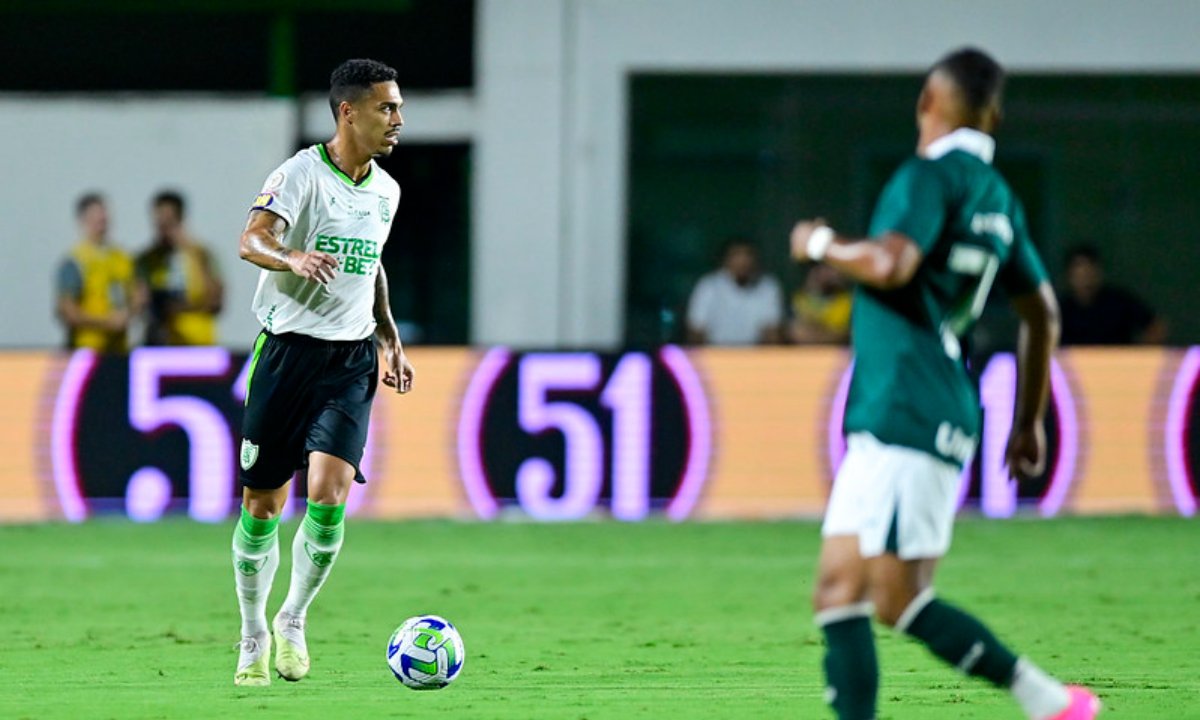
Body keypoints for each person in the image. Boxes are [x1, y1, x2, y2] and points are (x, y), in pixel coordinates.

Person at [789, 49, 1100, 719]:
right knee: (840, 592)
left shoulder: (927, 177)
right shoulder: (998, 197)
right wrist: (1028, 420)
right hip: (920, 406)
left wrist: (818, 245)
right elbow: (1042, 314)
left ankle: (1048, 702)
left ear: (928, 101)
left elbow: (891, 263)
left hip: (908, 403)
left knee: (898, 599)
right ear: (995, 115)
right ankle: (1050, 703)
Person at [231, 58, 414, 687]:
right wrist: (292, 257)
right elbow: (251, 240)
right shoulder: (300, 175)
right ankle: (252, 630)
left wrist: (387, 332)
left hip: (350, 358)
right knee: (263, 503)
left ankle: (292, 619)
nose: (397, 119)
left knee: (330, 495)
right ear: (348, 111)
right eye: (386, 108)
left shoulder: (386, 190)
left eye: (398, 107)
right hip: (286, 354)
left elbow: (373, 265)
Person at [135, 190, 224, 345]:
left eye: (169, 222)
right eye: (159, 222)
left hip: (198, 344)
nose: (163, 229)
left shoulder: (201, 254)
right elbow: (139, 303)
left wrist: (177, 307)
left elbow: (215, 301)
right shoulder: (146, 260)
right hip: (161, 345)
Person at [54, 193, 137, 352]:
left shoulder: (122, 258)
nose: (101, 220)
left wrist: (131, 311)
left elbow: (137, 295)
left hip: (119, 350)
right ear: (82, 220)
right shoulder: (75, 261)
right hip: (86, 350)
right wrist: (107, 322)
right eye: (95, 215)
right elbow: (68, 311)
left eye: (103, 214)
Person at [1059, 244, 1166, 345]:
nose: (1086, 281)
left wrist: (1138, 356)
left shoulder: (1119, 302)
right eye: (1079, 276)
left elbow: (1155, 327)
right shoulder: (1061, 310)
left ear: (1098, 273)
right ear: (1069, 277)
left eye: (1089, 273)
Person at [685, 239, 784, 345]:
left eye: (747, 255)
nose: (742, 261)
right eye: (736, 255)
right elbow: (696, 330)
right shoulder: (708, 286)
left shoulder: (768, 287)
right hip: (715, 355)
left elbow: (772, 333)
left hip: (755, 356)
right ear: (725, 259)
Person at [790, 264, 852, 345]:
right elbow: (797, 332)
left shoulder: (846, 300)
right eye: (820, 271)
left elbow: (842, 333)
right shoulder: (801, 298)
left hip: (836, 350)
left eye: (830, 270)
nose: (827, 275)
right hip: (804, 352)